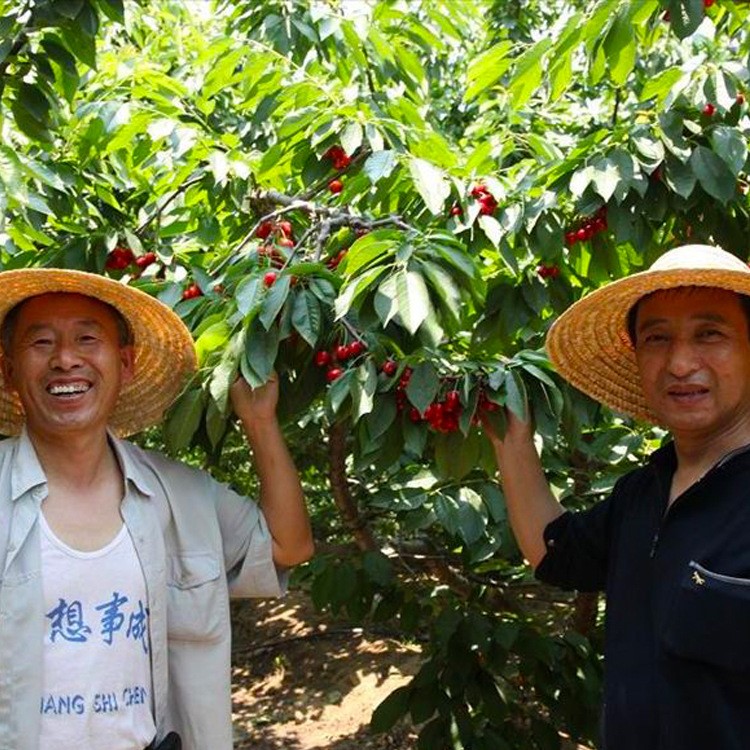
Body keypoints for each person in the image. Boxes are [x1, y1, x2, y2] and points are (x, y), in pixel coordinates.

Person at [0, 268, 314, 750]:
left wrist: (259, 420)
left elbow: (288, 546)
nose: (65, 359)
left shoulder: (178, 494)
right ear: (9, 371)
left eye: (87, 338)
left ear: (124, 364)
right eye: (40, 343)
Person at [483, 244, 750, 750]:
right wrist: (511, 441)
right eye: (657, 339)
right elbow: (554, 552)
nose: (680, 362)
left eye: (710, 333)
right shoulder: (643, 493)